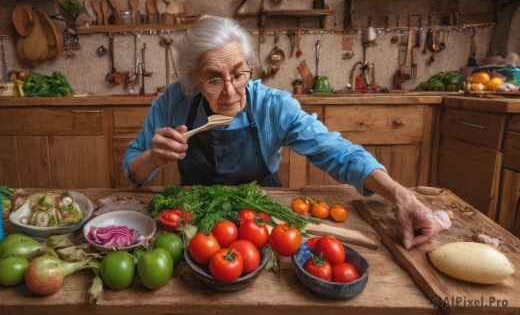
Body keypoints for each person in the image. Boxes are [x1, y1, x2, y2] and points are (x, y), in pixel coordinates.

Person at [124, 15, 443, 249]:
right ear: (194, 79)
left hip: (264, 219)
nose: (231, 91)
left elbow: (340, 153)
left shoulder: (273, 107)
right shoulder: (174, 102)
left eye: (238, 73)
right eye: (214, 79)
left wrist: (402, 196)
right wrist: (153, 157)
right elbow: (133, 171)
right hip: (195, 222)